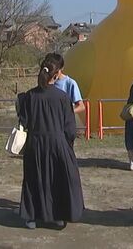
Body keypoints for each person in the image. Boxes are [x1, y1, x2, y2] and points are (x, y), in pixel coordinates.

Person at [18, 57, 85, 230]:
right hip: (57, 143)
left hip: (35, 143)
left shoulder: (30, 96)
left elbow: (23, 121)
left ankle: (31, 217)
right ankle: (57, 216)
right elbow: (70, 127)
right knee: (57, 180)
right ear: (56, 76)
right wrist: (68, 144)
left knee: (33, 180)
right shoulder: (62, 97)